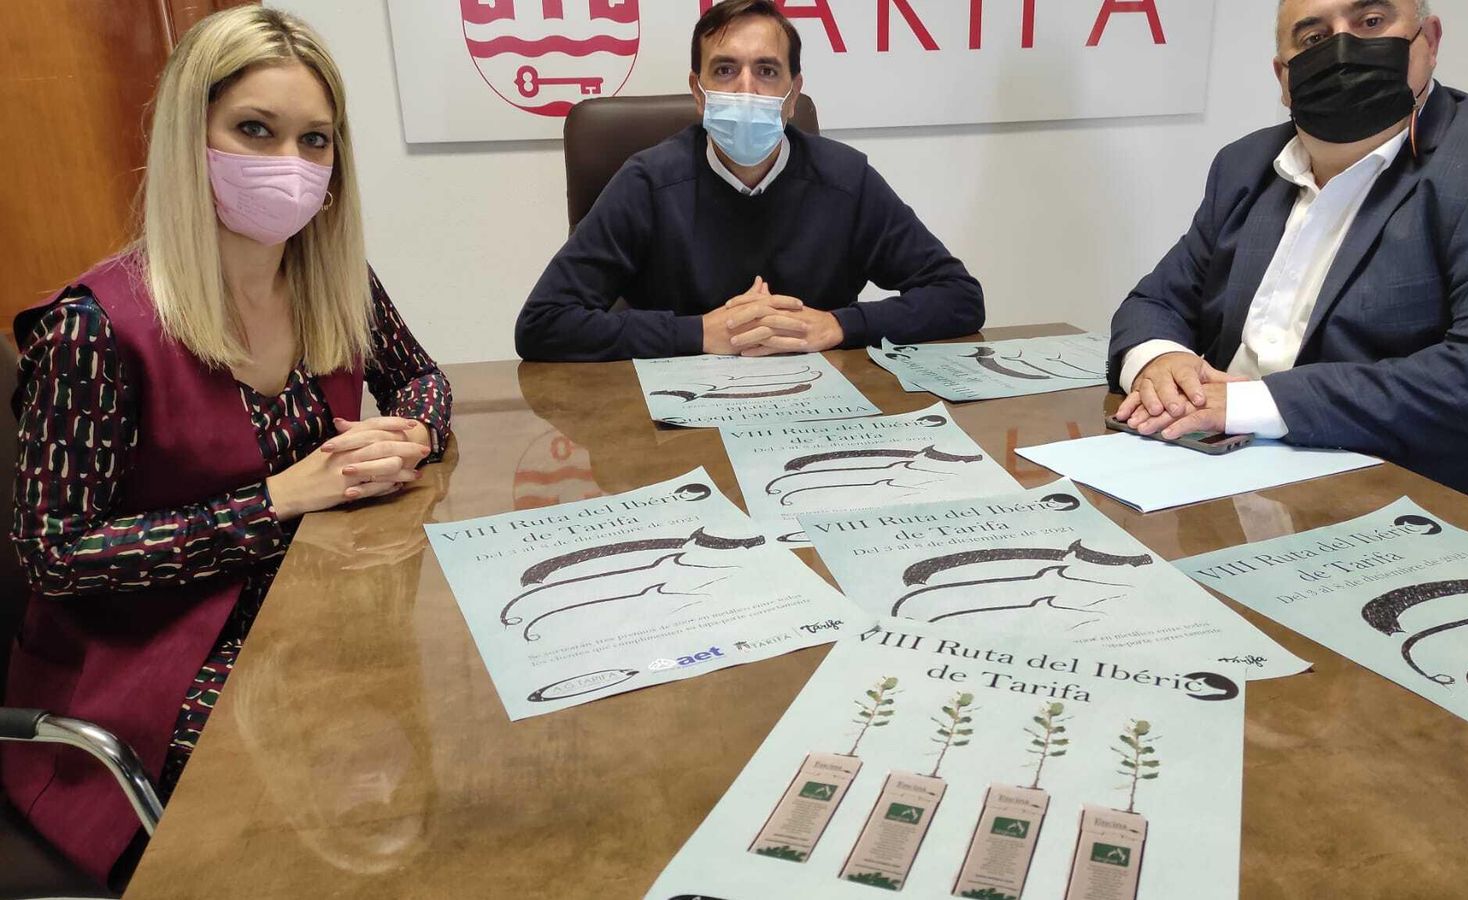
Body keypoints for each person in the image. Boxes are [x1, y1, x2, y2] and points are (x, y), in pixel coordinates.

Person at [3, 7, 452, 886]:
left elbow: (423, 377)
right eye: (255, 129)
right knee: (301, 827)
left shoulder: (333, 277)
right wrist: (278, 499)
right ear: (187, 138)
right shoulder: (93, 330)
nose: (290, 163)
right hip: (150, 659)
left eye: (314, 140)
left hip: (311, 613)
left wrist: (417, 429)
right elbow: (56, 556)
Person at [1108, 0, 1468, 530]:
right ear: (1285, 76)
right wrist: (1161, 365)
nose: (1344, 50)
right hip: (1229, 486)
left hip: (1432, 508)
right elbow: (1154, 302)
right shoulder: (1245, 165)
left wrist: (1247, 404)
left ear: (1429, 42)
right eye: (1314, 39)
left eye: (1370, 23)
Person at [514, 0, 984, 362]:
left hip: (819, 420)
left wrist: (837, 326)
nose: (746, 88)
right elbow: (542, 323)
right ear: (699, 93)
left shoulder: (846, 179)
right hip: (673, 431)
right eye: (725, 69)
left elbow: (959, 296)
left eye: (766, 70)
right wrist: (700, 333)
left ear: (793, 92)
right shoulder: (647, 183)